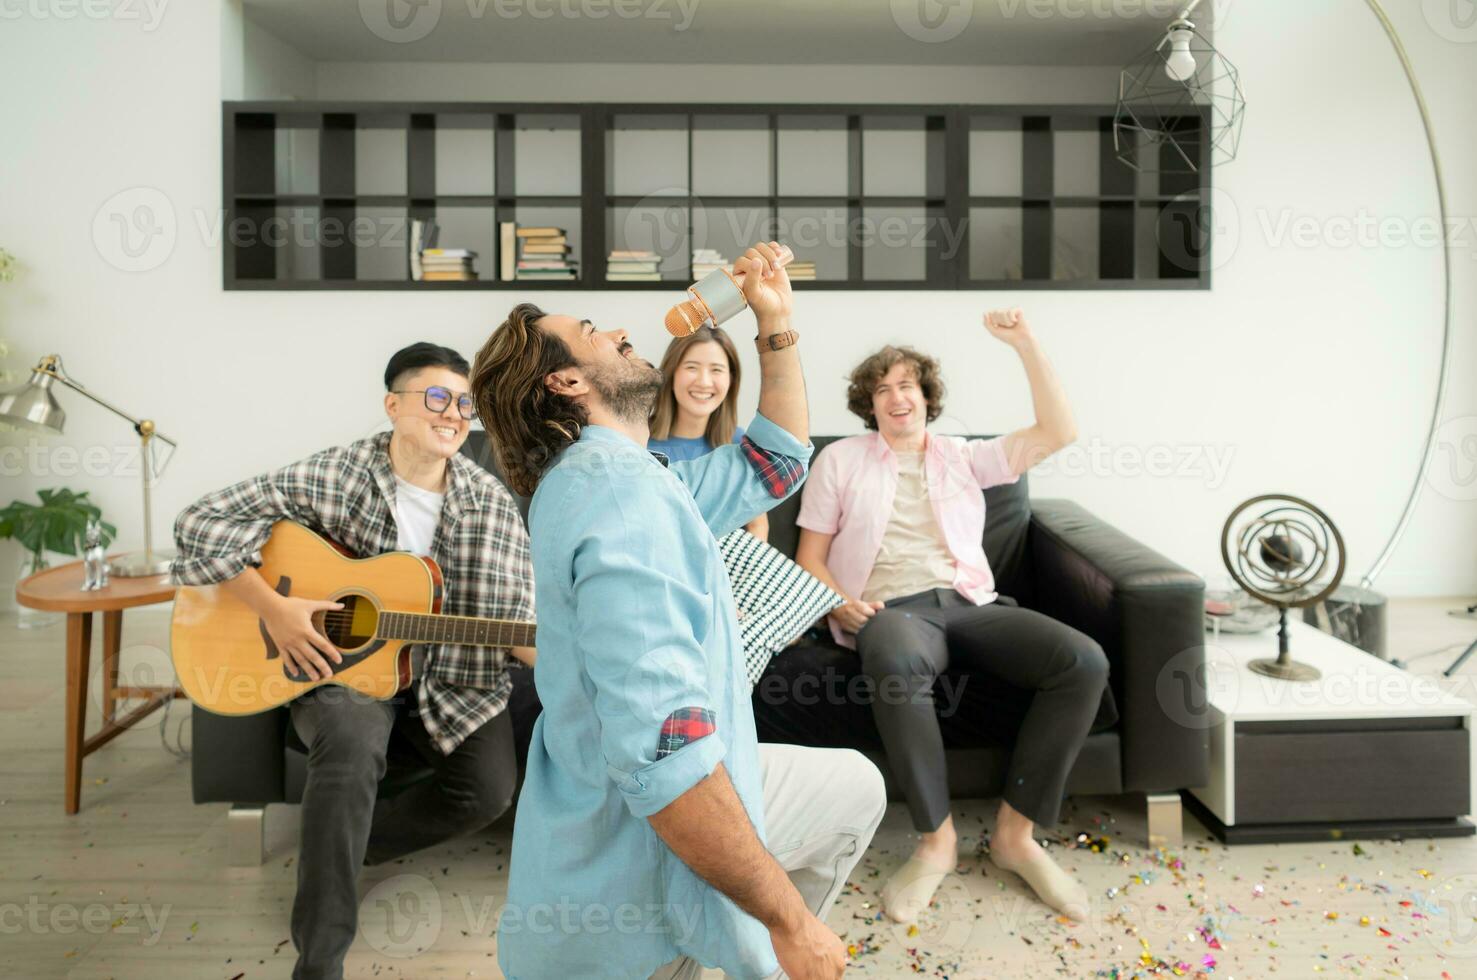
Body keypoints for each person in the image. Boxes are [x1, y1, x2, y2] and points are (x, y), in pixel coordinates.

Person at [472, 241, 886, 980]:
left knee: (851, 786)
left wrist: (774, 322)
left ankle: (730, 936)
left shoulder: (635, 479)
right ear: (566, 379)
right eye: (593, 329)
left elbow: (777, 460)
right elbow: (666, 753)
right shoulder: (618, 500)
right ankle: (736, 934)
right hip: (634, 872)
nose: (622, 333)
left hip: (650, 808)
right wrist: (789, 923)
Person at [171, 343, 536, 980]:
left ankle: (332, 852)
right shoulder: (338, 474)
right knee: (350, 740)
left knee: (489, 792)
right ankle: (320, 958)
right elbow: (200, 520)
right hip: (338, 676)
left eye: (464, 403)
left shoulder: (490, 503)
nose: (453, 414)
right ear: (393, 405)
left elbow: (516, 620)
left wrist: (567, 652)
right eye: (436, 398)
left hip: (450, 681)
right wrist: (275, 609)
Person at [794, 310, 1111, 924]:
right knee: (889, 652)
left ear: (926, 397)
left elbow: (1059, 429)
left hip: (972, 605)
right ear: (869, 404)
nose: (895, 396)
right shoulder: (839, 461)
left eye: (906, 384)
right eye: (882, 388)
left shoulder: (964, 458)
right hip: (894, 614)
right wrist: (838, 600)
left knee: (1082, 660)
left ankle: (1016, 838)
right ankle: (935, 842)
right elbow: (811, 559)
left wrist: (1025, 342)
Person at [648, 324, 768, 540]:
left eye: (716, 370)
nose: (704, 382)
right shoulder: (636, 441)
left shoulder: (741, 444)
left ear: (731, 380)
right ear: (671, 373)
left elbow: (757, 528)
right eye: (692, 367)